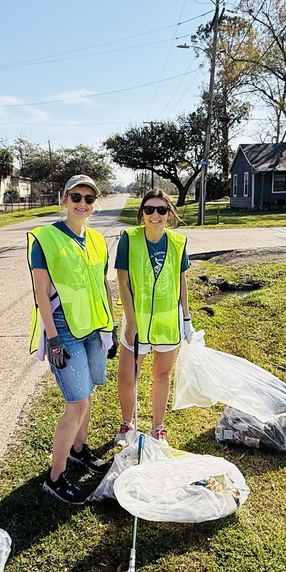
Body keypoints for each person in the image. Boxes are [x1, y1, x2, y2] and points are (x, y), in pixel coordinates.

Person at [28, 175, 116, 504]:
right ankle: (56, 476)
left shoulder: (96, 239)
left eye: (89, 198)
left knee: (88, 393)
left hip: (94, 327)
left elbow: (103, 285)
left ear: (95, 204)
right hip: (63, 329)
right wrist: (52, 339)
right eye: (76, 196)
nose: (82, 203)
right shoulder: (46, 239)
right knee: (76, 403)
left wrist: (110, 325)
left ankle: (79, 450)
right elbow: (40, 293)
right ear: (64, 199)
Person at [115, 189, 193, 446]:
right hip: (136, 321)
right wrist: (131, 321)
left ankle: (158, 427)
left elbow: (181, 281)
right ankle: (128, 423)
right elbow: (123, 283)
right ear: (142, 214)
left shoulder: (178, 242)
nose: (155, 215)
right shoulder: (129, 239)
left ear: (169, 214)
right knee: (128, 376)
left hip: (166, 322)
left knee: (162, 375)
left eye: (161, 210)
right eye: (149, 210)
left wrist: (186, 319)